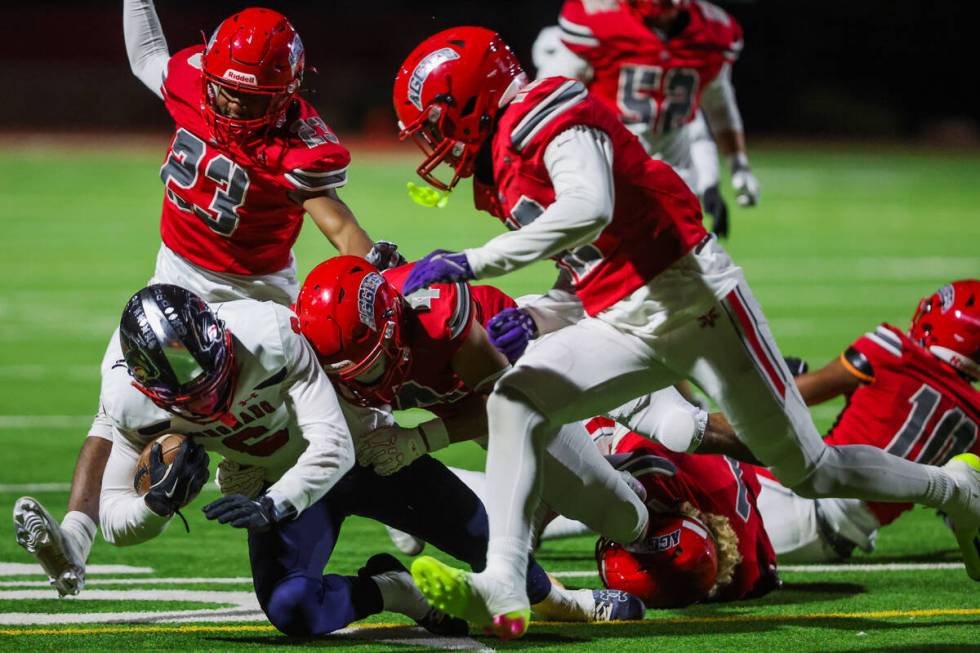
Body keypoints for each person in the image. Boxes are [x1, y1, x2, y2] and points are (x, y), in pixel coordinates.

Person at [391, 27, 980, 639]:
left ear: (468, 97)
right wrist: (541, 315)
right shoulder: (502, 166)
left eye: (432, 124)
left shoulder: (546, 109)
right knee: (516, 399)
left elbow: (589, 207)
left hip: (696, 298)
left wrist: (474, 261)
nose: (432, 145)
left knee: (809, 470)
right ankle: (506, 580)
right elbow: (591, 264)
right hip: (626, 318)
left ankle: (957, 489)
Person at [13, 0, 389, 597]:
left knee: (321, 431)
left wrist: (376, 268)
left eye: (254, 99)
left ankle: (407, 488)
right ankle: (75, 543)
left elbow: (337, 222)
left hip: (252, 296)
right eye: (229, 93)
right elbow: (147, 57)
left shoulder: (297, 144)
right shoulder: (194, 81)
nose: (236, 107)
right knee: (117, 409)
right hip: (175, 281)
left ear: (287, 92)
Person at [91, 284, 488, 636]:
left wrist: (273, 503)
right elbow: (112, 519)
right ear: (146, 385)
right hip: (276, 480)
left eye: (216, 375)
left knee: (506, 557)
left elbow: (334, 443)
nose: (210, 401)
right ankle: (393, 591)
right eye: (190, 399)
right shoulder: (130, 404)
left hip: (364, 455)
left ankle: (543, 588)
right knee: (292, 608)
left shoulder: (268, 333)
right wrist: (157, 503)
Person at [292, 256, 654, 622]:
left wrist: (421, 438)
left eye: (369, 366)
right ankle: (550, 497)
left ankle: (632, 467)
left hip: (520, 386)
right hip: (460, 402)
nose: (360, 382)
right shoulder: (328, 348)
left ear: (391, 327)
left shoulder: (440, 322)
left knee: (624, 520)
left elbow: (510, 408)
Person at [754, 280, 980, 562]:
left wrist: (783, 376)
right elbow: (963, 510)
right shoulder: (975, 421)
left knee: (697, 455)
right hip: (831, 547)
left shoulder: (895, 352)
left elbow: (790, 398)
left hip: (791, 501)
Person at [532, 0, 756, 236]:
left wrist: (738, 164)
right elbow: (550, 96)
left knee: (690, 267)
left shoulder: (711, 34)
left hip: (675, 177)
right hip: (609, 173)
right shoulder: (598, 20)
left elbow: (718, 106)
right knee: (605, 267)